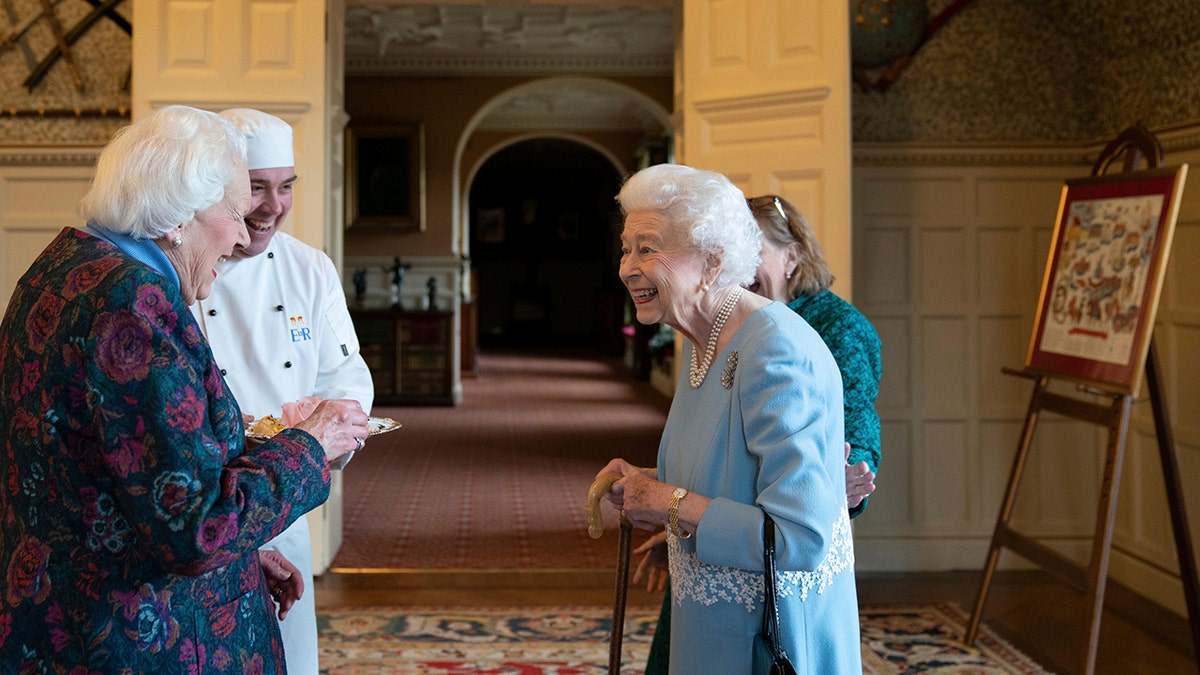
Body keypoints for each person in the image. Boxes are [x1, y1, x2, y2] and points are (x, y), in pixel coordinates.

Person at [0, 105, 370, 673]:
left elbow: (124, 481)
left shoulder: (64, 264)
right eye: (233, 211)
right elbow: (197, 530)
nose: (243, 233)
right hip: (134, 639)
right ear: (177, 219)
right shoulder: (135, 307)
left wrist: (241, 564)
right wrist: (310, 444)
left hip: (61, 613)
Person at [596, 163, 861, 674]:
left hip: (771, 640)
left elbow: (798, 540)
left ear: (713, 262)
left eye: (648, 249)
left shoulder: (774, 351)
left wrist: (667, 501)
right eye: (626, 249)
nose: (628, 267)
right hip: (714, 631)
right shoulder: (705, 344)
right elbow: (730, 476)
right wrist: (642, 485)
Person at [190, 107, 375, 675]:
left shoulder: (309, 268)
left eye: (286, 187)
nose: (273, 206)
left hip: (280, 500)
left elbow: (345, 375)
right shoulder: (183, 266)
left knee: (288, 653)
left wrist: (334, 425)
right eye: (255, 188)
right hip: (202, 501)